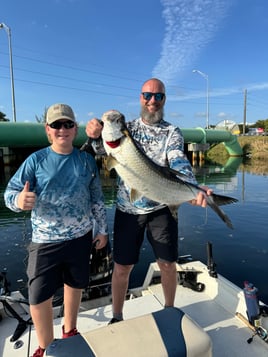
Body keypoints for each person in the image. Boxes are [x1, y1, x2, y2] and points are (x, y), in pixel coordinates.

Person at [86, 78, 212, 324]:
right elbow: (101, 150)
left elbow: (177, 160)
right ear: (140, 98)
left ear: (164, 100)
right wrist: (93, 135)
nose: (152, 101)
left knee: (168, 264)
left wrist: (193, 188)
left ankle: (169, 310)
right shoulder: (127, 129)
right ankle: (117, 316)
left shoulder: (172, 131)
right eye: (147, 95)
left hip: (161, 207)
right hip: (126, 209)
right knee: (122, 267)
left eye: (158, 96)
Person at [4, 103, 109, 357]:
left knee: (75, 285)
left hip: (81, 237)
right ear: (48, 130)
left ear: (75, 129)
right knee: (38, 297)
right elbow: (9, 193)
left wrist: (102, 230)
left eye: (68, 124)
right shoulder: (35, 160)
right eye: (56, 125)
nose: (62, 129)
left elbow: (96, 198)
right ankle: (44, 345)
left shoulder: (86, 161)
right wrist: (19, 201)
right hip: (45, 241)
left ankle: (70, 329)